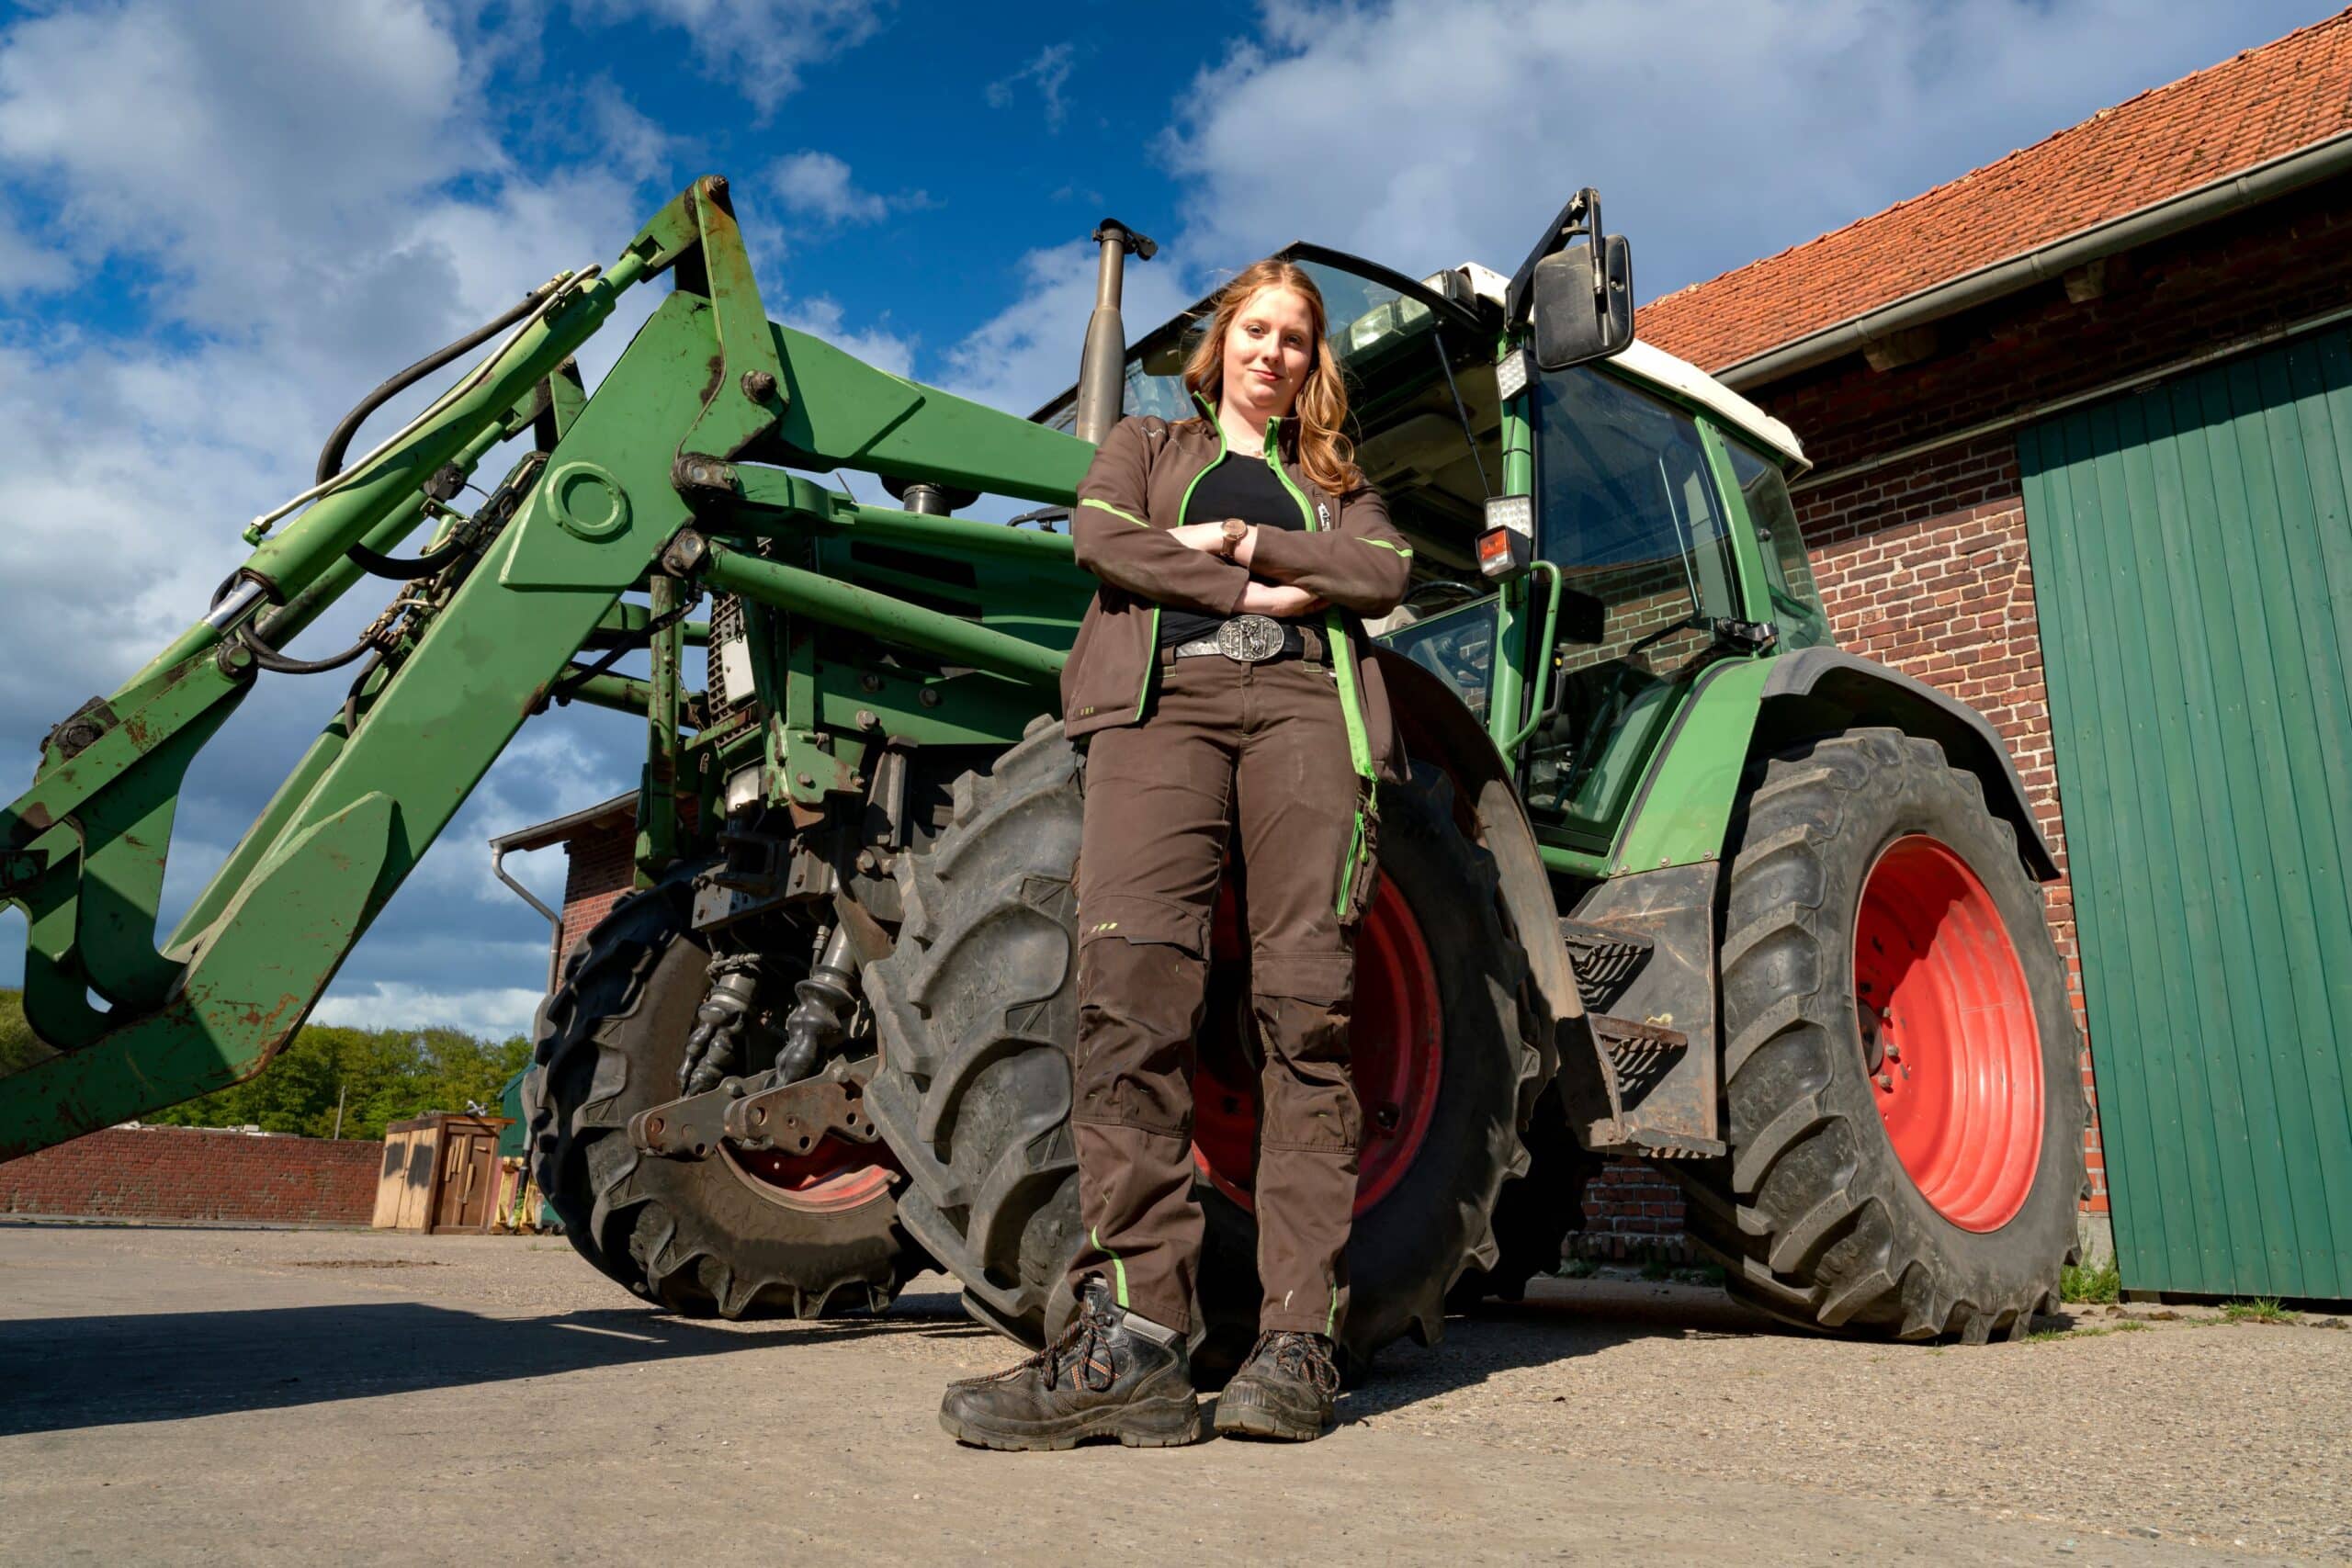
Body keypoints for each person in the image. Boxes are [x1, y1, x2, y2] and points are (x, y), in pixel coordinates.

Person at [940, 260, 1414, 1450]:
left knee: (1307, 1017)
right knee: (1130, 1002)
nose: (1275, 351)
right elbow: (1103, 543)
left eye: (1297, 338)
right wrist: (1257, 580)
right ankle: (1142, 1344)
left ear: (1314, 363)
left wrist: (1250, 538)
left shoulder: (1334, 482)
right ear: (1221, 344)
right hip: (1169, 712)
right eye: (1257, 329)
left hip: (1309, 721)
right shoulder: (1147, 445)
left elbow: (1385, 574)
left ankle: (1297, 1340)